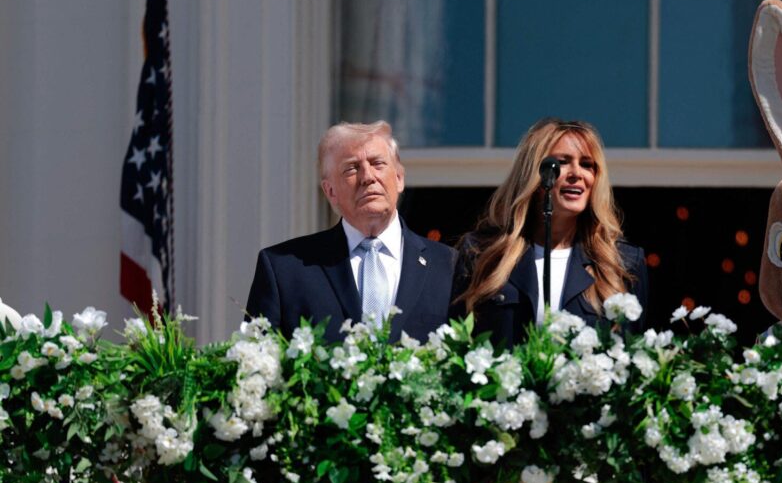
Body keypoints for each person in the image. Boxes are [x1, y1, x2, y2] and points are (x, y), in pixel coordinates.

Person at [246, 120, 457, 344]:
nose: (367, 177)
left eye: (377, 163)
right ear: (330, 191)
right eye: (351, 168)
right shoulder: (284, 269)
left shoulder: (448, 265)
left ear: (399, 178)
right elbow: (257, 360)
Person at [452, 118, 648, 347]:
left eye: (587, 165)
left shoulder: (623, 263)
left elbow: (634, 353)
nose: (577, 173)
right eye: (561, 162)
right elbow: (456, 344)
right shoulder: (481, 253)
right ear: (533, 174)